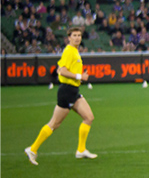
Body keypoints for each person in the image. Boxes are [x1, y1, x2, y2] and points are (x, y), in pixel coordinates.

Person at [25, 26, 97, 166]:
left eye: (79, 35)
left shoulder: (74, 51)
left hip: (73, 91)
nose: (77, 37)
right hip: (67, 92)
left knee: (89, 117)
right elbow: (62, 71)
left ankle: (81, 150)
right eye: (74, 35)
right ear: (69, 38)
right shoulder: (69, 51)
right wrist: (79, 76)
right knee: (54, 124)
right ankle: (33, 149)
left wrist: (79, 77)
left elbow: (59, 68)